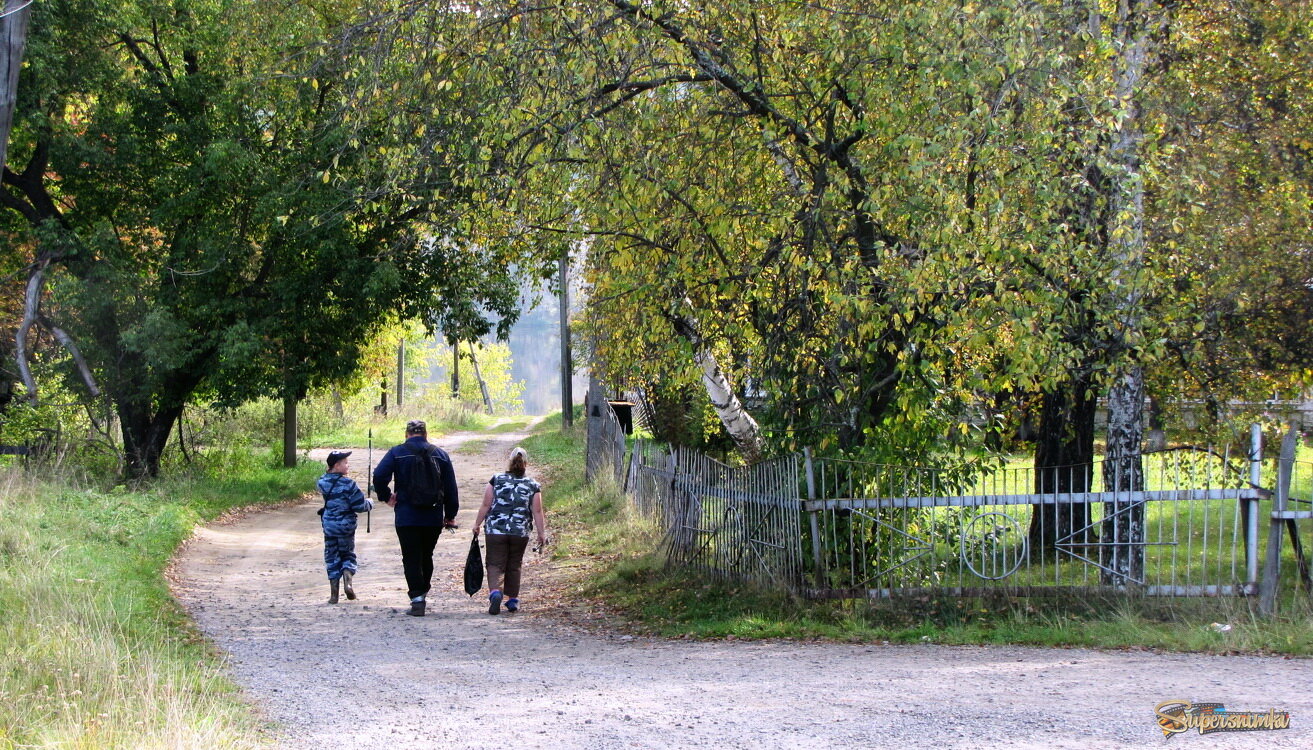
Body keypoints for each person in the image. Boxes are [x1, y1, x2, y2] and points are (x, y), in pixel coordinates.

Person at [373, 420, 459, 616]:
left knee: (411, 557)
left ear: (407, 434)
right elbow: (451, 488)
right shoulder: (441, 455)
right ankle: (423, 590)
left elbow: (379, 475)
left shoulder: (397, 452)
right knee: (426, 555)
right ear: (426, 434)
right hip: (433, 516)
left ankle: (417, 598)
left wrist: (386, 496)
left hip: (406, 515)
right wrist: (450, 515)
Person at [472, 446, 547, 615]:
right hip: (519, 531)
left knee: (494, 563)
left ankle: (495, 593)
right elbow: (537, 511)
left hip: (495, 530)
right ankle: (512, 600)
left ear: (510, 461)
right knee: (514, 564)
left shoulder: (496, 479)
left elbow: (486, 504)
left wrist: (477, 524)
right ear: (526, 464)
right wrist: (542, 533)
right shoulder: (533, 485)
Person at [317, 451, 373, 604]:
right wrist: (370, 502)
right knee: (347, 554)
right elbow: (359, 506)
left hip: (329, 525)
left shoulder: (322, 481)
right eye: (345, 463)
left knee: (331, 556)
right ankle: (348, 582)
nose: (348, 465)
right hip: (346, 526)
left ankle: (334, 594)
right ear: (337, 465)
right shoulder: (349, 484)